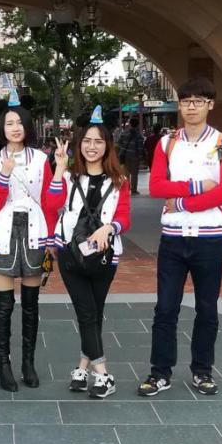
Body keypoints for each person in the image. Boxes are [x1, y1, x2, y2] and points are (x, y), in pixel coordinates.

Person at [139, 77, 222, 398]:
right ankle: (160, 372)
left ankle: (202, 370)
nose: (191, 107)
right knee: (165, 308)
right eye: (186, 101)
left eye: (198, 101)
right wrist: (199, 187)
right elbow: (156, 186)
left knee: (207, 309)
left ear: (210, 104)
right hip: (173, 237)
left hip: (210, 238)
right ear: (179, 106)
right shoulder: (167, 143)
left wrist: (182, 202)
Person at [0, 95, 68, 392]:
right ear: (1, 128)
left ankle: (28, 363)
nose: (15, 128)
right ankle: (4, 365)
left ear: (27, 125)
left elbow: (52, 203)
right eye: (9, 123)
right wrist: (4, 173)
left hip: (34, 232)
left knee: (31, 304)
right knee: (4, 305)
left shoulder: (41, 160)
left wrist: (60, 170)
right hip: (3, 235)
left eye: (19, 122)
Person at [54, 109, 131, 399]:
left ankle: (82, 367)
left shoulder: (120, 179)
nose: (92, 146)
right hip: (70, 255)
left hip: (105, 258)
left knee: (95, 313)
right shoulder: (69, 176)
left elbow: (125, 216)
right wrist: (59, 169)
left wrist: (109, 228)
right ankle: (103, 375)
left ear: (107, 146)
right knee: (86, 312)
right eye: (87, 140)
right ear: (79, 144)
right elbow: (50, 204)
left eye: (98, 141)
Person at [120, 116, 145, 195]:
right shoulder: (139, 135)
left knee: (126, 173)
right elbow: (140, 147)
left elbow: (120, 142)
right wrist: (140, 158)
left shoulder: (125, 133)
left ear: (130, 124)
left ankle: (126, 189)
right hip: (135, 156)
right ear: (137, 125)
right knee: (134, 174)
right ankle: (134, 190)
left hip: (126, 155)